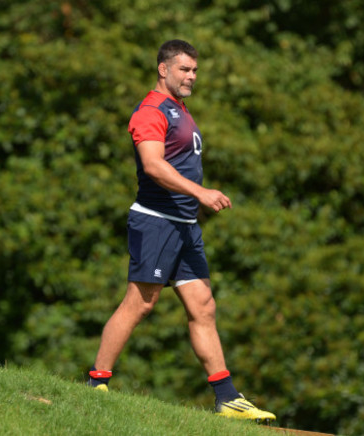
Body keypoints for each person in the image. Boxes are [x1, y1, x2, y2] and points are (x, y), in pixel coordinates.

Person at [86, 40, 275, 422]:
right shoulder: (151, 111)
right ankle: (96, 382)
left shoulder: (179, 109)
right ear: (163, 69)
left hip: (185, 225)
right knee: (141, 302)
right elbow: (153, 166)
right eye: (184, 69)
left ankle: (227, 399)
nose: (191, 76)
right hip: (157, 221)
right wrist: (201, 192)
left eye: (194, 70)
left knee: (203, 305)